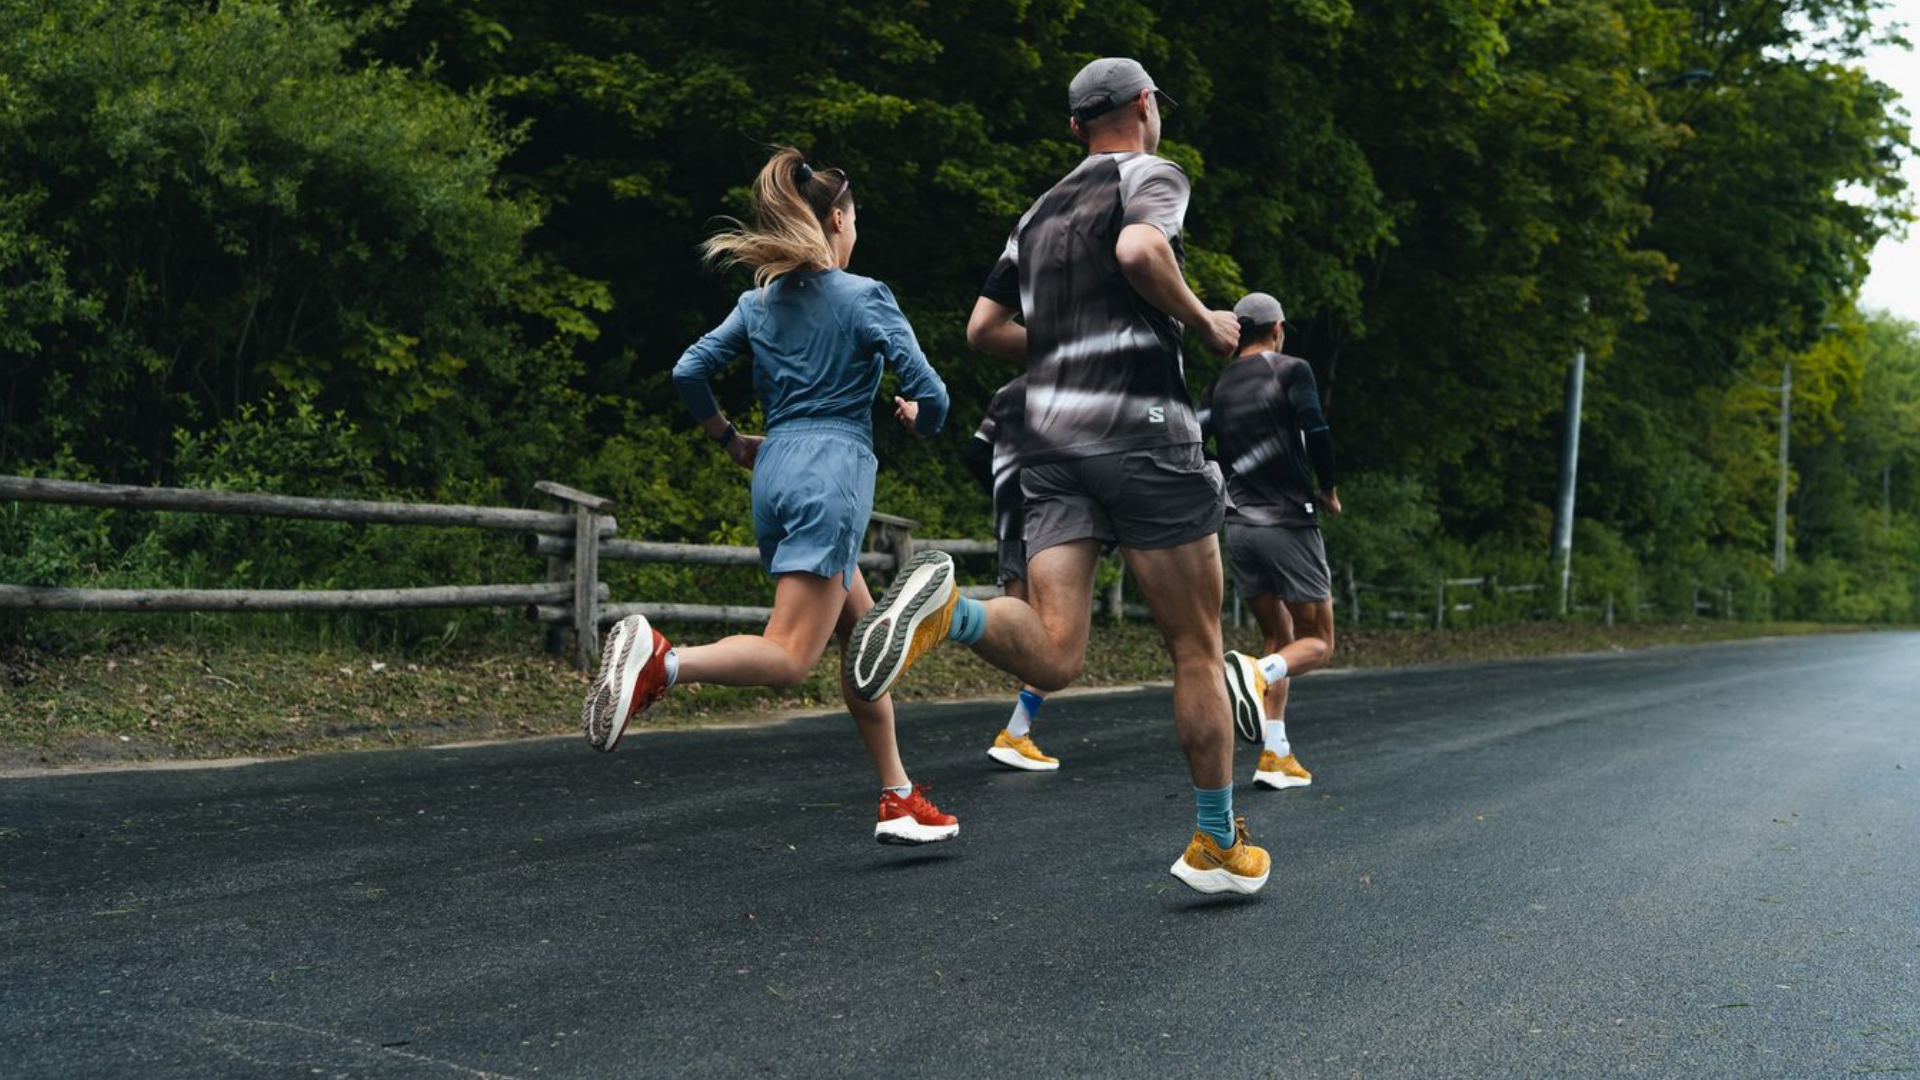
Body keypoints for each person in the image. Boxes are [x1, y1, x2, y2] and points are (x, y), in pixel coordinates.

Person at [847, 59, 1271, 895]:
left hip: (1045, 440)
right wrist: (1205, 320)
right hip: (1144, 434)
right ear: (1145, 108)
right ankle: (1216, 842)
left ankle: (951, 611)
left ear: (1076, 127)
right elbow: (1142, 247)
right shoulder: (1150, 173)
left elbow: (982, 329)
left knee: (1055, 654)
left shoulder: (1036, 214)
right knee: (1196, 646)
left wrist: (1069, 347)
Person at [580, 147, 959, 846]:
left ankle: (899, 794)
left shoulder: (758, 303)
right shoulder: (865, 296)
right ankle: (662, 661)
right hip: (832, 472)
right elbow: (933, 396)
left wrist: (730, 440)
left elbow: (689, 370)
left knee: (862, 642)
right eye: (855, 220)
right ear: (838, 219)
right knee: (788, 657)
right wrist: (917, 419)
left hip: (776, 470)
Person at [1202, 292, 1341, 791]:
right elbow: (1317, 430)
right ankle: (1255, 674)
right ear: (1278, 328)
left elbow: (1196, 446)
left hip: (1238, 528)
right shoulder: (1290, 369)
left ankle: (1275, 754)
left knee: (1279, 638)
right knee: (1318, 642)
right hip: (1286, 522)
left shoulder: (1216, 385)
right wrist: (1327, 488)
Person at [962, 374, 1059, 772]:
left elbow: (974, 453)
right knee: (1053, 635)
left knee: (1019, 623)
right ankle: (1016, 733)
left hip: (1010, 521)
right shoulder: (1068, 387)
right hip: (1053, 519)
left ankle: (1016, 731)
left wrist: (1004, 493)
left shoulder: (1007, 391)